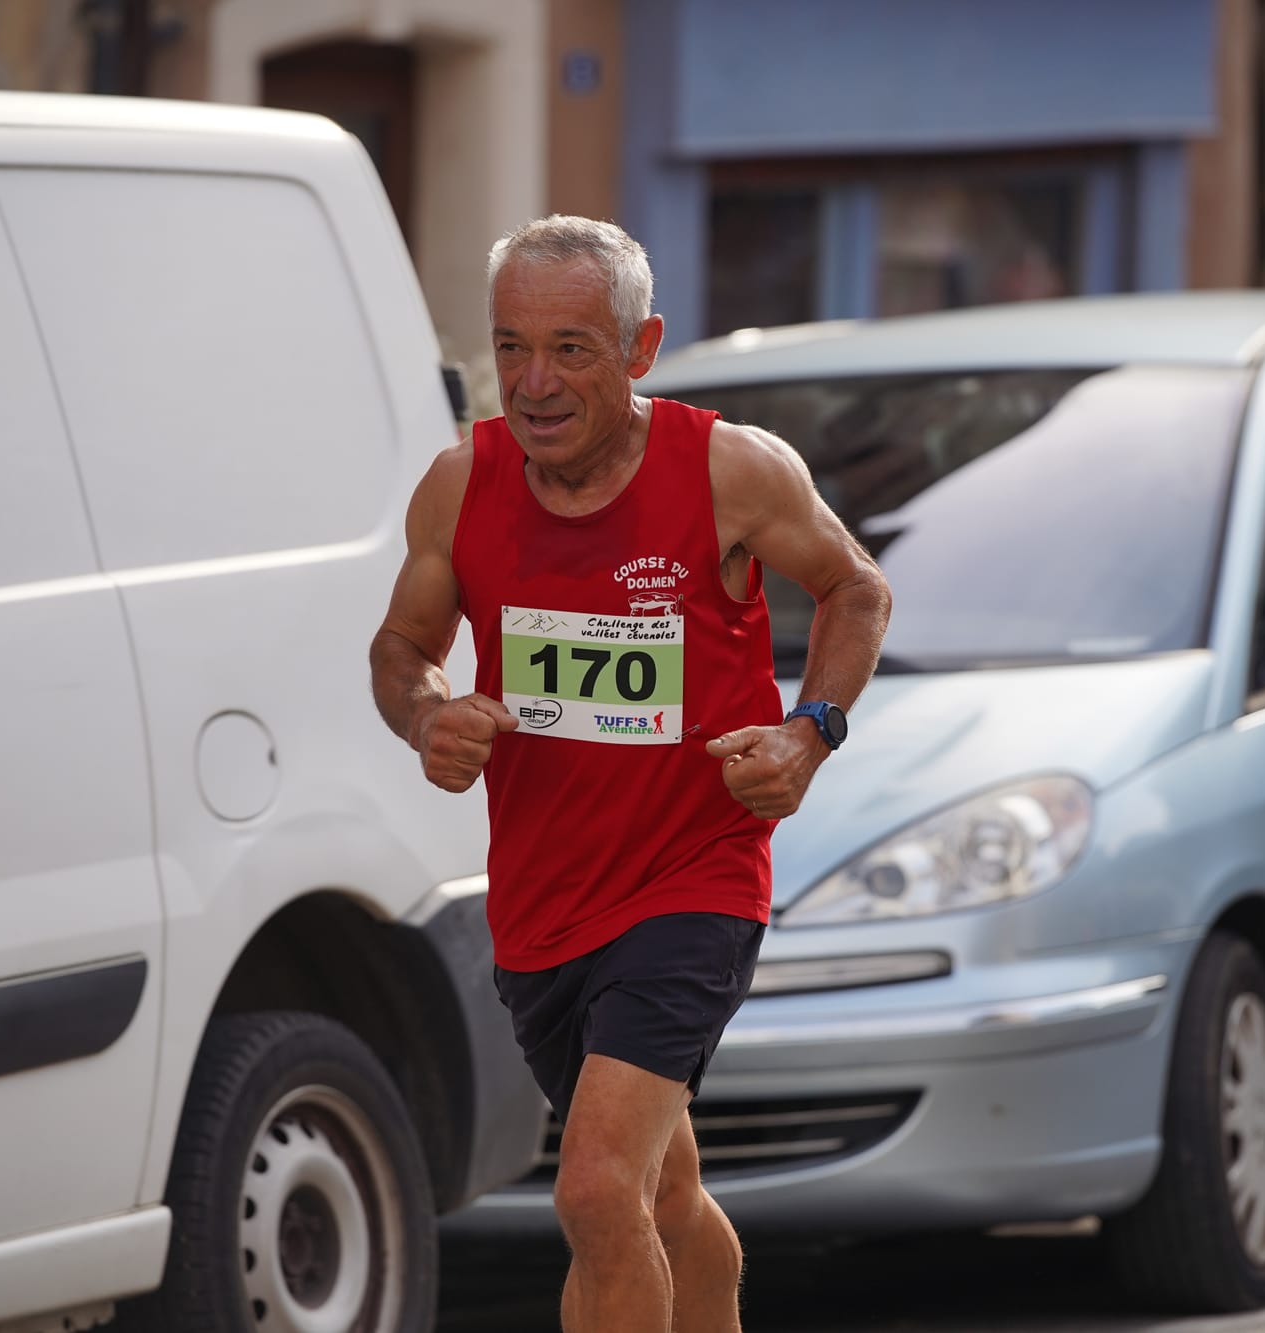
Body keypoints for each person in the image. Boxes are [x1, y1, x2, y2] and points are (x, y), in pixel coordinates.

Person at [369, 215, 891, 1332]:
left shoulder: (729, 470)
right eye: (510, 347)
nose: (533, 382)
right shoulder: (461, 485)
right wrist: (425, 717)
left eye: (570, 349)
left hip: (692, 877)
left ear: (639, 349)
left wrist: (809, 730)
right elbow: (400, 650)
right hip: (543, 901)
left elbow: (855, 588)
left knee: (594, 1188)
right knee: (658, 1193)